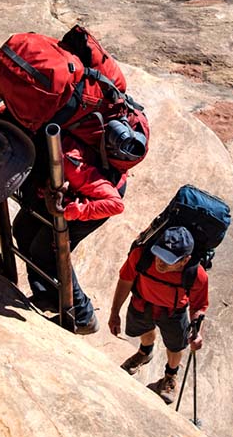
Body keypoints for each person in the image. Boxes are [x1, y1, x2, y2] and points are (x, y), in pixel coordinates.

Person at [12, 133, 126, 334]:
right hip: (64, 190)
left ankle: (83, 316)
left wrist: (70, 210)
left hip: (93, 199)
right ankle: (46, 295)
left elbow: (114, 204)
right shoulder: (33, 143)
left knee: (47, 251)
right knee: (22, 229)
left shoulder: (69, 162)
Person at [108, 226, 208, 403]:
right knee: (144, 331)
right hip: (142, 303)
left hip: (174, 312)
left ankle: (170, 376)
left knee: (175, 347)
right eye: (159, 254)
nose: (160, 262)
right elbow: (125, 280)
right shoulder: (141, 256)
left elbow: (198, 306)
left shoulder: (196, 275)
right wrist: (114, 312)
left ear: (185, 260)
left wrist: (196, 332)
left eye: (168, 260)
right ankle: (145, 352)